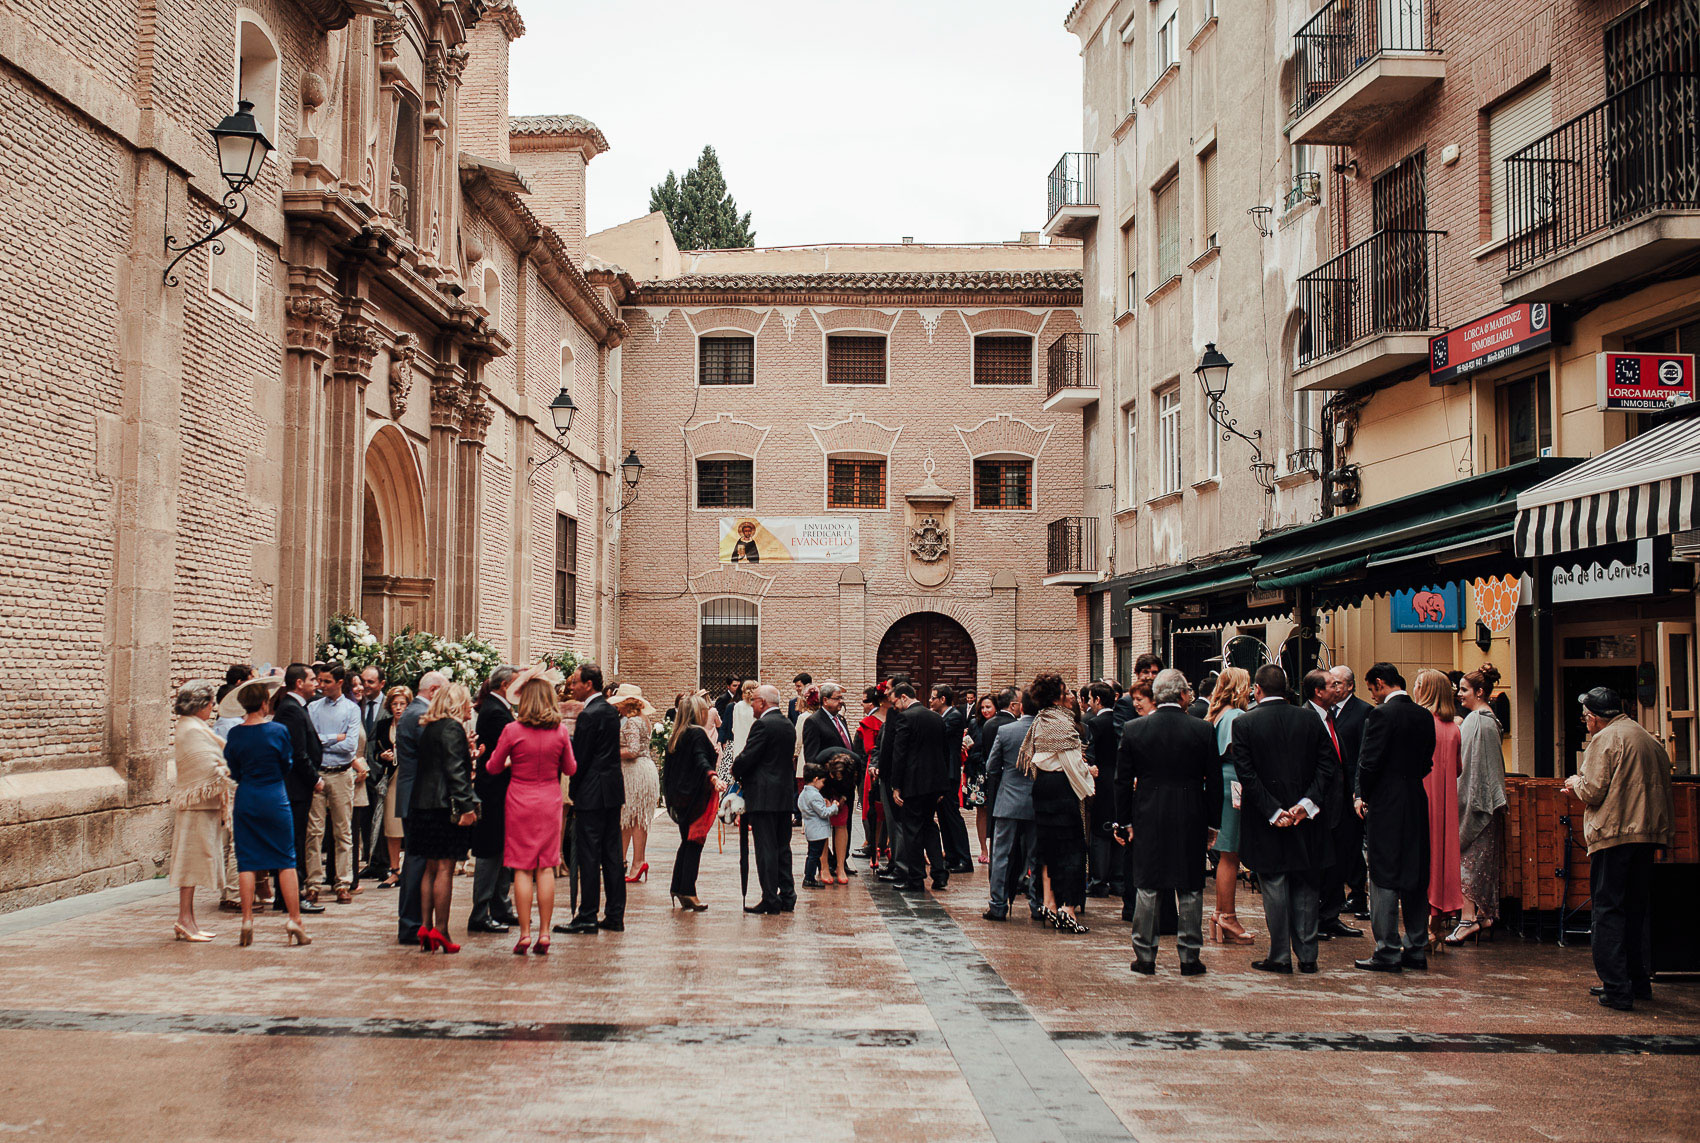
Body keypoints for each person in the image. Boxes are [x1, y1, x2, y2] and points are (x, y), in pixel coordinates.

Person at [1565, 686, 1675, 1010]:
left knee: (1608, 909)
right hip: (1647, 833)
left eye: (1586, 717)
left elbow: (1593, 790)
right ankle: (1636, 981)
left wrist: (1574, 784)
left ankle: (1616, 987)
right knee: (1635, 909)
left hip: (1615, 833)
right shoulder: (1645, 736)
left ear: (1596, 718)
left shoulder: (1606, 738)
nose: (1585, 723)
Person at [1229, 665, 1337, 975]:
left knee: (1274, 884)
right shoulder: (1309, 718)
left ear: (1258, 690)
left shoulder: (1244, 722)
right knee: (1305, 883)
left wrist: (1274, 811)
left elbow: (1246, 774)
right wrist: (1305, 804)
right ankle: (1307, 955)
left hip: (1266, 820)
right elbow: (1327, 765)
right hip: (1307, 819)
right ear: (1287, 688)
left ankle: (1279, 955)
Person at [1119, 669, 1221, 973]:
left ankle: (1145, 954)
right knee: (1190, 884)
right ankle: (1189, 956)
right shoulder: (1202, 730)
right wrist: (1213, 824)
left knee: (1148, 884)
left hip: (1148, 811)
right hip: (1191, 810)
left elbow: (1121, 781)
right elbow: (1214, 782)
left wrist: (1124, 820)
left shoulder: (1134, 729)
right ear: (1183, 695)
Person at [485, 672, 577, 955]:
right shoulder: (560, 732)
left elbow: (493, 767)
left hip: (519, 799)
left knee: (522, 867)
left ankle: (525, 933)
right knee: (546, 865)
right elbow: (571, 768)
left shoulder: (512, 731)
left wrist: (514, 760)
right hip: (549, 798)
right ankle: (545, 932)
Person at [1353, 662, 1436, 974]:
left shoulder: (1381, 715)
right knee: (1415, 872)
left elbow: (1369, 762)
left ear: (1379, 683)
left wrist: (1364, 796)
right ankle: (1415, 946)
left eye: (1372, 689)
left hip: (1387, 800)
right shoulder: (1423, 715)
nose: (1372, 696)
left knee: (1384, 873)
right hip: (1415, 796)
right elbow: (1428, 760)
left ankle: (1387, 949)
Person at [223, 675, 311, 947]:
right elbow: (286, 762)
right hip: (274, 795)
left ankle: (247, 919)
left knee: (247, 859)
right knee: (286, 859)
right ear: (263, 703)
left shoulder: (235, 734)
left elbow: (233, 769)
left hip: (247, 796)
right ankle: (294, 920)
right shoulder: (278, 731)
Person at [1017, 672, 1092, 933]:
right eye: (1067, 691)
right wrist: (1089, 778)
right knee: (1072, 849)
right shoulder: (1062, 723)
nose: (1072, 695)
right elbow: (1073, 765)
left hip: (1043, 789)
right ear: (1057, 697)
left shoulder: (1040, 720)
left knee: (1048, 848)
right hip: (1062, 789)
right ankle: (1068, 909)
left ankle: (1048, 903)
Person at [410, 682, 480, 953]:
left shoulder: (430, 728)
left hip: (422, 804)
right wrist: (466, 807)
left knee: (429, 867)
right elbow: (454, 770)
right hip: (443, 807)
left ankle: (425, 925)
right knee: (444, 869)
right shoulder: (452, 728)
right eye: (466, 701)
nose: (470, 706)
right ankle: (441, 929)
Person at [562, 662, 626, 934]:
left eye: (575, 682)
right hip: (611, 791)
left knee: (588, 855)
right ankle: (614, 914)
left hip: (591, 792)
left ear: (588, 684)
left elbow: (580, 758)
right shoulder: (610, 710)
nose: (571, 686)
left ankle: (587, 914)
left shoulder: (589, 715)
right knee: (612, 855)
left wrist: (573, 791)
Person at [1300, 669, 1362, 942]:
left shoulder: (1332, 716)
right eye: (1331, 685)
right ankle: (1315, 918)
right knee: (1319, 865)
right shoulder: (1305, 717)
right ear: (1318, 692)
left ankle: (1331, 916)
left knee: (1337, 862)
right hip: (1319, 804)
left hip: (1341, 803)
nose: (1336, 689)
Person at [169, 680, 233, 942]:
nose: (212, 709)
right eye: (211, 704)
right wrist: (226, 769)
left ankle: (188, 920)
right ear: (201, 705)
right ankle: (185, 920)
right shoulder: (191, 728)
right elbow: (206, 766)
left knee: (194, 864)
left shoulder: (194, 726)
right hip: (196, 806)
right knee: (190, 864)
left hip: (203, 806)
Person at [1450, 663, 1508, 945]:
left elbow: (1470, 769)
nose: (1459, 694)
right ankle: (1482, 915)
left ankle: (1468, 918)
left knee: (1467, 862)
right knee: (1481, 861)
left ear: (1480, 692)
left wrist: (1463, 801)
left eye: (1464, 690)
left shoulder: (1476, 721)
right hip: (1488, 803)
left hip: (1476, 803)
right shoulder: (1489, 720)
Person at [733, 684, 799, 914]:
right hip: (783, 796)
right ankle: (788, 896)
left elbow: (749, 757)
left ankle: (770, 898)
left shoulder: (762, 725)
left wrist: (736, 769)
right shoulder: (787, 724)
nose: (751, 704)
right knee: (783, 847)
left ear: (762, 702)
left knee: (766, 848)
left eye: (754, 701)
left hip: (763, 796)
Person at [394, 671, 446, 944]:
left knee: (419, 860)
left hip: (414, 794)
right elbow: (434, 754)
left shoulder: (415, 711)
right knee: (416, 861)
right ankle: (411, 925)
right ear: (434, 690)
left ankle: (415, 922)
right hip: (417, 797)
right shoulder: (418, 715)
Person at [269, 663, 326, 915]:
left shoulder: (294, 707)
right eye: (313, 679)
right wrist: (315, 778)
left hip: (297, 787)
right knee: (294, 841)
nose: (317, 684)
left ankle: (286, 895)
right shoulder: (291, 710)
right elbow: (297, 752)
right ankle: (293, 895)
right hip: (295, 788)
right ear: (299, 683)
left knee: (295, 840)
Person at [1412, 668, 1463, 947]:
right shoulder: (1454, 728)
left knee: (1422, 857)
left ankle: (1423, 928)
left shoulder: (1421, 723)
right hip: (1446, 802)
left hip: (1423, 796)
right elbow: (1457, 769)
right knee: (1443, 857)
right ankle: (1437, 925)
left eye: (1419, 684)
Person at [1205, 667, 1255, 944]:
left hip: (1220, 783)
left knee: (1227, 852)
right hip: (1233, 783)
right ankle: (1228, 917)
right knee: (1230, 854)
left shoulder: (1217, 714)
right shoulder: (1236, 716)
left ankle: (1221, 914)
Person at [468, 665, 519, 935]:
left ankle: (501, 907)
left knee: (502, 850)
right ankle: (480, 912)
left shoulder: (498, 708)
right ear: (504, 686)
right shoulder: (495, 712)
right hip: (494, 788)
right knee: (490, 852)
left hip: (501, 789)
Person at [887, 683, 952, 892]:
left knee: (912, 829)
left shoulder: (906, 718)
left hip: (914, 783)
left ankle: (915, 878)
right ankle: (940, 873)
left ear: (904, 697)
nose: (895, 707)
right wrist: (943, 786)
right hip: (934, 783)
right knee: (930, 826)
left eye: (895, 701)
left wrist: (896, 785)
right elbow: (944, 752)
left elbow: (899, 754)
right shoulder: (936, 717)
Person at [304, 662, 360, 904]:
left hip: (341, 773)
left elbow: (350, 745)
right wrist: (333, 738)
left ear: (339, 683)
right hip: (318, 773)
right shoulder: (313, 707)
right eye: (320, 680)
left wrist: (323, 741)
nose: (321, 685)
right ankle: (313, 883)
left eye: (327, 681)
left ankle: (343, 882)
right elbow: (311, 742)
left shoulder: (351, 709)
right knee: (314, 831)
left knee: (343, 830)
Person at [982, 691, 1038, 922]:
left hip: (1008, 799)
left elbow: (991, 766)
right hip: (1037, 800)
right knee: (1035, 856)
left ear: (1021, 707)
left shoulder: (1006, 731)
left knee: (1002, 854)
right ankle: (1037, 905)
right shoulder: (1045, 732)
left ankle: (997, 905)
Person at [664, 694, 722, 910]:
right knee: (694, 844)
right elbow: (700, 758)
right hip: (695, 797)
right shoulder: (697, 733)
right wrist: (712, 775)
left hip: (679, 797)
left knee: (686, 843)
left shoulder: (677, 734)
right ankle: (688, 891)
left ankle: (678, 886)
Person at [802, 682, 859, 882]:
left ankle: (840, 864)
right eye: (837, 698)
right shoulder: (813, 722)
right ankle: (825, 866)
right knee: (823, 827)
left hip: (845, 785)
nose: (841, 702)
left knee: (844, 824)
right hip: (827, 785)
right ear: (825, 700)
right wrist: (820, 787)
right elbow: (812, 757)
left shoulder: (840, 719)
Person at [1329, 665, 1372, 918]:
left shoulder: (1363, 711)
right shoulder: (1327, 711)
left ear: (1349, 686)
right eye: (1331, 684)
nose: (1334, 688)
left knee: (1352, 843)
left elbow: (1363, 754)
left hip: (1352, 789)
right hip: (1333, 788)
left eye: (1338, 684)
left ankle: (1358, 893)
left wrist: (1359, 791)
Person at [615, 683, 661, 883]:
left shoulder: (632, 722)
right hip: (642, 769)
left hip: (635, 771)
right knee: (631, 818)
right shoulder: (643, 719)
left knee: (634, 819)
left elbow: (632, 750)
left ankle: (637, 862)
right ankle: (625, 861)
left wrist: (609, 754)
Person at [366, 685, 411, 889]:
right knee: (392, 826)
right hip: (392, 778)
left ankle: (410, 869)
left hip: (410, 778)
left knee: (410, 824)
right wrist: (382, 757)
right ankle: (394, 870)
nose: (398, 708)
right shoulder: (384, 725)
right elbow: (374, 750)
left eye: (402, 704)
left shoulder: (414, 723)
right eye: (395, 704)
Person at [1083, 683, 1121, 898]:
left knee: (1100, 832)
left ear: (1098, 700)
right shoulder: (1122, 720)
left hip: (1103, 781)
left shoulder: (1095, 724)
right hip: (1120, 780)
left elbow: (1092, 755)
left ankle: (1099, 881)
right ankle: (1118, 880)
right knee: (1119, 828)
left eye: (1090, 699)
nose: (1089, 703)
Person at [933, 684, 976, 875]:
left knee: (952, 816)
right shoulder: (944, 717)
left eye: (933, 697)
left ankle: (964, 859)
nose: (930, 701)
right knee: (943, 816)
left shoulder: (954, 717)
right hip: (942, 772)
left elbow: (939, 736)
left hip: (949, 773)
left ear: (943, 699)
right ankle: (951, 857)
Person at [856, 685, 892, 867]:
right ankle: (875, 846)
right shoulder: (869, 722)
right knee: (875, 810)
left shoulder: (897, 718)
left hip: (894, 767)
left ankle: (888, 845)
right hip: (875, 768)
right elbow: (869, 748)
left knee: (891, 811)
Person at [970, 692, 1007, 864]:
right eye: (982, 707)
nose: (985, 710)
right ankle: (983, 848)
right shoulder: (974, 724)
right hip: (978, 772)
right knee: (981, 810)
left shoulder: (1001, 725)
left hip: (994, 772)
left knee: (995, 809)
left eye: (988, 707)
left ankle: (994, 847)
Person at [799, 763, 837, 888]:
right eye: (822, 781)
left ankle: (809, 876)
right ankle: (809, 878)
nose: (823, 784)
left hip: (811, 829)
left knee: (812, 854)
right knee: (814, 855)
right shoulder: (814, 795)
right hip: (818, 831)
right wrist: (834, 806)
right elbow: (823, 812)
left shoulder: (804, 793)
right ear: (816, 779)